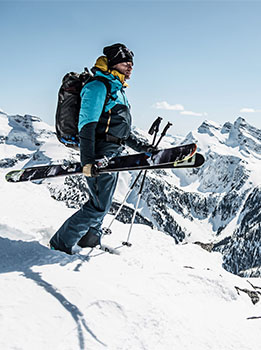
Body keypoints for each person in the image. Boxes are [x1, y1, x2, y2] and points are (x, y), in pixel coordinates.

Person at [50, 43, 146, 254]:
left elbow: (121, 131)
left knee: (103, 201)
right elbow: (87, 125)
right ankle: (59, 244)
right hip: (98, 152)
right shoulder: (97, 86)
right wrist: (87, 161)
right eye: (125, 63)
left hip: (112, 152)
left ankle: (90, 241)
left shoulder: (117, 89)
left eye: (131, 64)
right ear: (112, 64)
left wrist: (143, 147)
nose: (130, 67)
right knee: (98, 206)